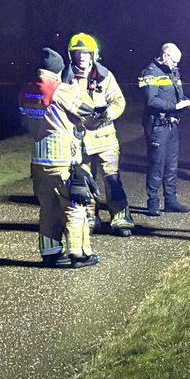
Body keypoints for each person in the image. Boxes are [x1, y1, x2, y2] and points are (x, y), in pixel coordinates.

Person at [20, 48, 103, 268]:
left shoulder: (27, 91)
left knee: (48, 208)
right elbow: (90, 113)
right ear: (58, 71)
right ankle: (80, 254)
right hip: (63, 160)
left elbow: (24, 122)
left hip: (38, 162)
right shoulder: (61, 90)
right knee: (75, 205)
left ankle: (50, 253)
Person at [63, 32, 134, 236]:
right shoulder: (66, 80)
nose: (82, 57)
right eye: (78, 53)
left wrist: (108, 113)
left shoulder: (105, 76)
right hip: (80, 142)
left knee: (113, 180)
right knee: (86, 181)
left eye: (86, 52)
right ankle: (89, 217)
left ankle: (120, 217)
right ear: (71, 55)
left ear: (94, 54)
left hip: (105, 140)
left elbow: (119, 102)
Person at [138, 43, 190, 217]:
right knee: (156, 165)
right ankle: (152, 202)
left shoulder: (173, 72)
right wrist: (175, 105)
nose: (176, 65)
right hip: (157, 126)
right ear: (166, 55)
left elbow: (177, 94)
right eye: (175, 61)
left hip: (172, 124)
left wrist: (187, 101)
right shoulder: (150, 73)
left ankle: (171, 201)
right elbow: (151, 100)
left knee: (171, 165)